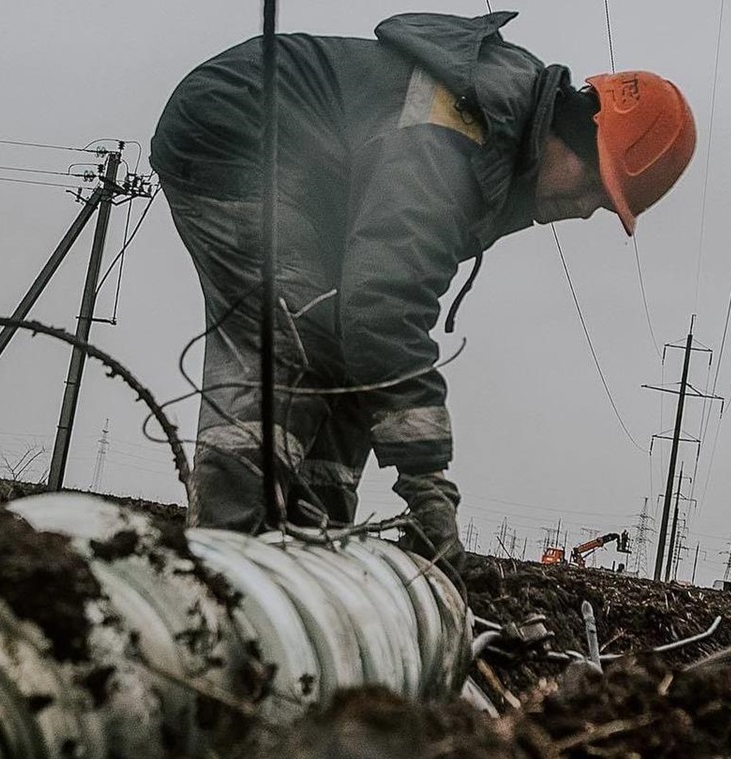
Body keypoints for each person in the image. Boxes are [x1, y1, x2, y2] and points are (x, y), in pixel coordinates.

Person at [151, 11, 697, 572]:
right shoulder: (453, 134)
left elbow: (374, 330)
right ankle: (221, 563)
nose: (584, 210)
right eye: (594, 185)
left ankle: (312, 554)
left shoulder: (495, 158)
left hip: (314, 172)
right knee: (297, 329)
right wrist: (428, 486)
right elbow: (383, 307)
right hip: (239, 130)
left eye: (604, 206)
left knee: (348, 353)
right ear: (570, 134)